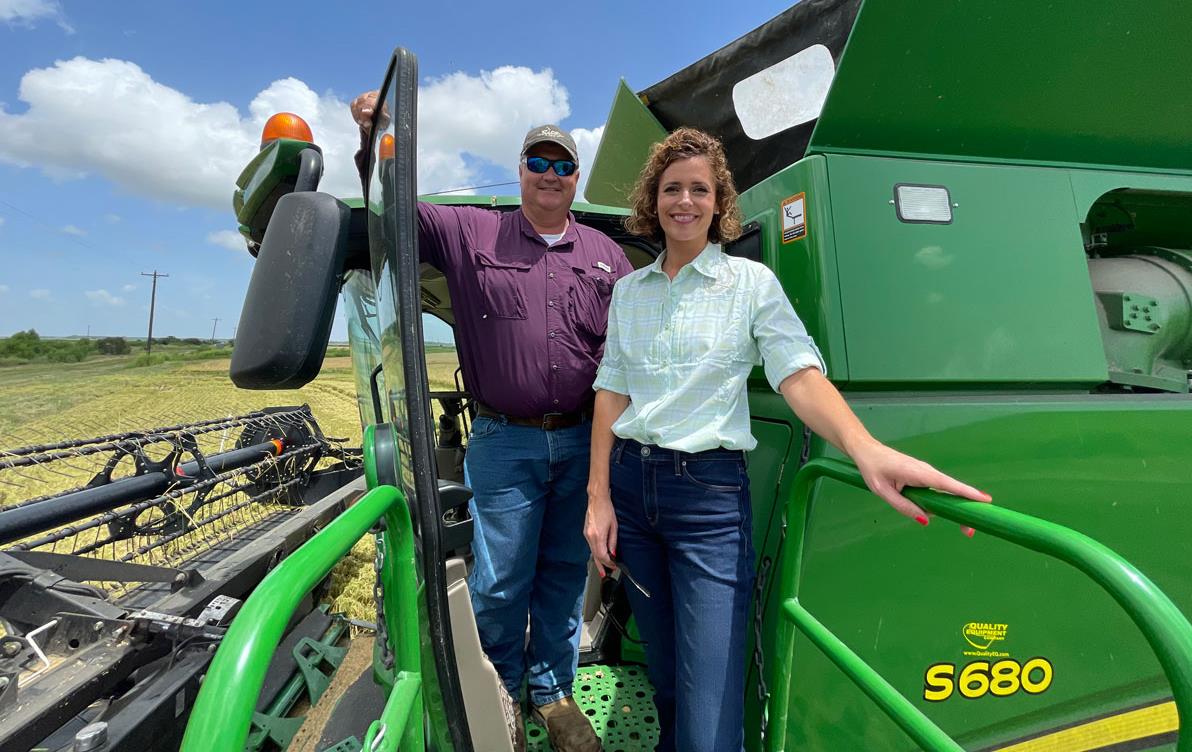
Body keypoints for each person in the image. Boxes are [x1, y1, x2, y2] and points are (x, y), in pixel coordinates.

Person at [583, 128, 991, 752]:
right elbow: (611, 392)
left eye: (700, 188)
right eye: (672, 189)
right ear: (653, 200)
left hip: (707, 503)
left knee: (709, 704)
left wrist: (864, 447)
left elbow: (797, 374)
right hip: (633, 494)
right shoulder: (628, 292)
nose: (684, 201)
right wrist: (598, 499)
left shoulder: (749, 284)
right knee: (663, 674)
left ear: (719, 202)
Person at [352, 91, 632, 752]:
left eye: (562, 164)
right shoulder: (472, 230)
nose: (550, 173)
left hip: (584, 438)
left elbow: (635, 347)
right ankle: (499, 690)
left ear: (575, 178)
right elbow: (393, 215)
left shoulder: (606, 254)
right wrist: (379, 142)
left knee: (565, 574)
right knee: (501, 578)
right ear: (521, 170)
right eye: (538, 160)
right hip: (504, 439)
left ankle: (553, 693)